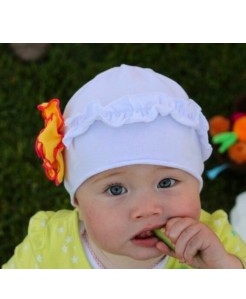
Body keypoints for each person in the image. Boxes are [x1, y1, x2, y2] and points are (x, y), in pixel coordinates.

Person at [2, 64, 246, 269]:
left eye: (166, 182)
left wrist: (224, 268)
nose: (147, 209)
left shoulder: (214, 243)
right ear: (78, 201)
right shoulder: (47, 244)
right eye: (116, 189)